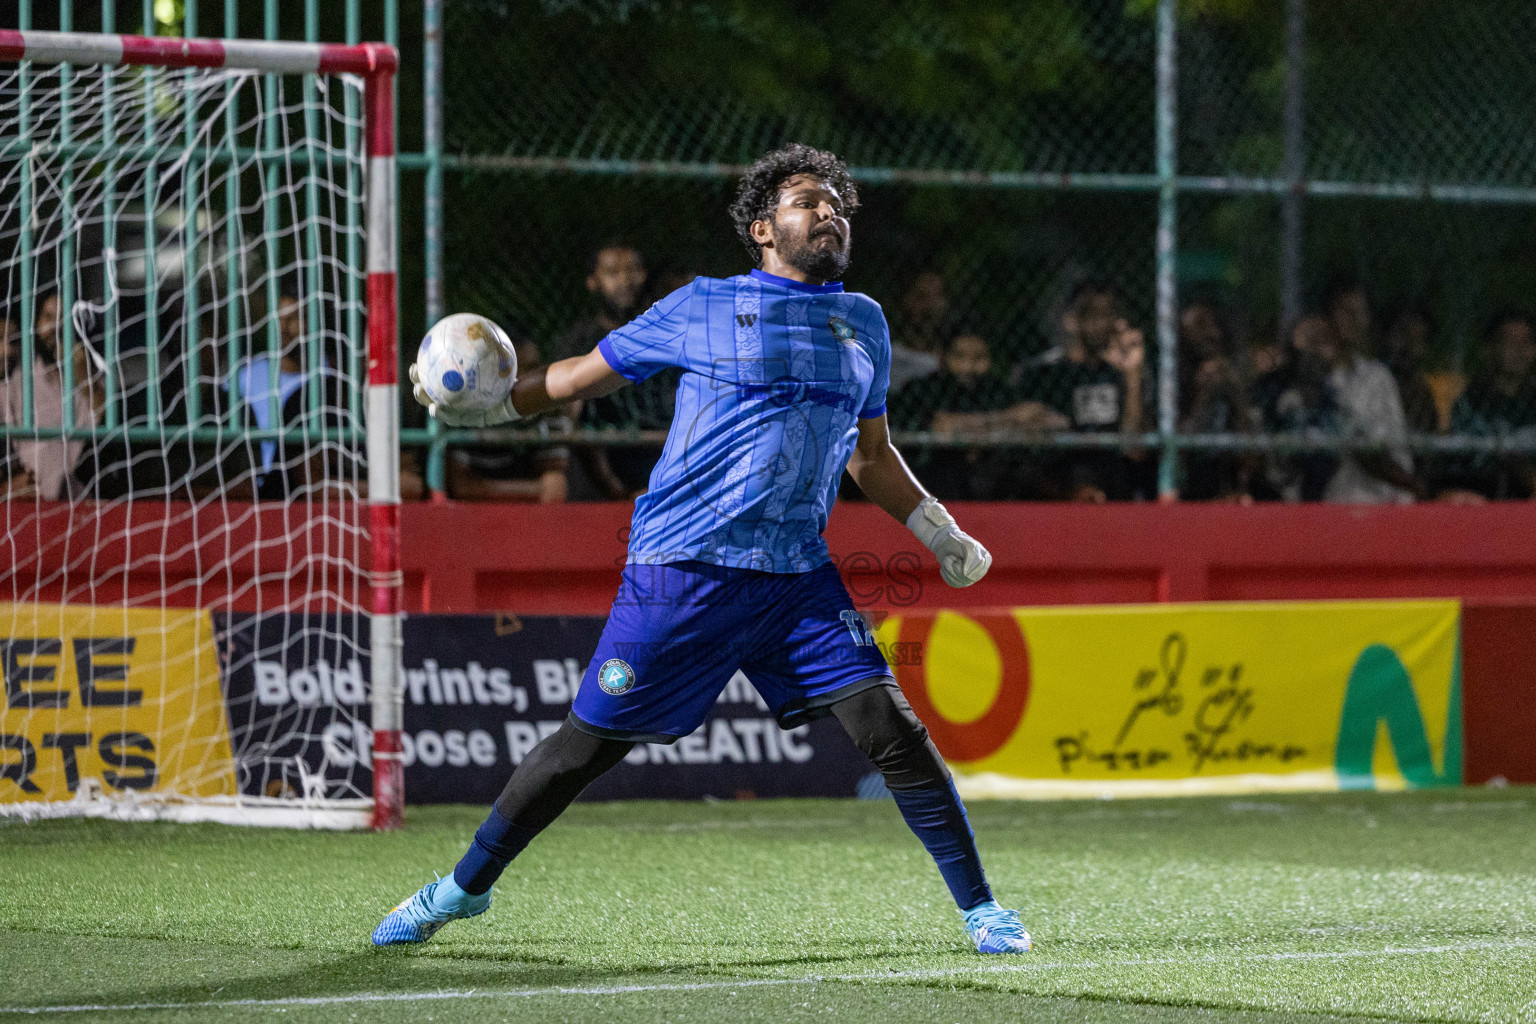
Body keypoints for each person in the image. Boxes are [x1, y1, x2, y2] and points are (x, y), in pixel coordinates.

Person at [381, 143, 1031, 956]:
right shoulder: (702, 306)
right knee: (582, 750)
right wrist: (493, 408)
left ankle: (981, 910)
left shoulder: (864, 322)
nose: (828, 212)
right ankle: (461, 888)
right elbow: (586, 374)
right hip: (681, 568)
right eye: (807, 201)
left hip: (797, 578)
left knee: (891, 731)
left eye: (836, 204)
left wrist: (941, 532)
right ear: (763, 227)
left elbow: (870, 456)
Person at [553, 241, 677, 500]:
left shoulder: (667, 335)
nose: (625, 281)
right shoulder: (579, 342)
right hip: (601, 481)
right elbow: (572, 421)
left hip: (666, 470)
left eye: (633, 270)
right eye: (612, 273)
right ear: (592, 282)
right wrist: (618, 489)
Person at [1013, 280, 1147, 501]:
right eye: (1092, 315)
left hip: (1113, 481)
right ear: (1071, 320)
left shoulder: (1121, 373)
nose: (1102, 324)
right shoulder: (1043, 372)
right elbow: (1027, 454)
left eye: (1108, 315)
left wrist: (1132, 377)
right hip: (1059, 484)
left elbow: (1134, 449)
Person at [888, 332, 1062, 499]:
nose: (969, 366)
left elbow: (1042, 417)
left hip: (991, 469)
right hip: (938, 472)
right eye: (960, 357)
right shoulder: (925, 388)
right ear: (944, 358)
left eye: (979, 358)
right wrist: (1008, 419)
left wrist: (971, 425)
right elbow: (945, 427)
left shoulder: (996, 389)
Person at [227, 292, 356, 500]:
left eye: (294, 318)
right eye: (279, 319)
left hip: (303, 490)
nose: (284, 327)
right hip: (259, 489)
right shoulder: (246, 375)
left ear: (312, 323)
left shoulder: (332, 377)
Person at [1318, 276, 1420, 503]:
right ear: (1328, 316)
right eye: (1346, 311)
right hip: (1333, 504)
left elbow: (1397, 446)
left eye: (1361, 312)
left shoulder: (1378, 377)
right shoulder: (1318, 379)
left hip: (1379, 504)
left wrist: (1406, 500)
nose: (1355, 319)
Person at [0, 292, 102, 500]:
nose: (55, 328)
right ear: (35, 322)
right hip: (29, 501)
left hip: (74, 502)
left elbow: (104, 428)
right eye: (47, 318)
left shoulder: (85, 374)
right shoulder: (17, 377)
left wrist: (83, 375)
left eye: (63, 319)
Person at [446, 338, 570, 502]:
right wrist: (535, 489)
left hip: (527, 519)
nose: (523, 378)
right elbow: (461, 487)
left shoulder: (551, 413)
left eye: (531, 368)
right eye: (511, 368)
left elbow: (555, 490)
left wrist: (484, 488)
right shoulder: (466, 411)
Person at [1440, 311, 1536, 500]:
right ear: (1489, 350)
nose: (1519, 350)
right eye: (1510, 342)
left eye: (1527, 343)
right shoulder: (1471, 401)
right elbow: (1495, 454)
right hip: (1480, 492)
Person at [1250, 316, 1341, 502]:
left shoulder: (1333, 393)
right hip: (1273, 499)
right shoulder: (1271, 390)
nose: (1316, 352)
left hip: (1321, 504)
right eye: (1310, 343)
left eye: (1322, 342)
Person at [1178, 297, 1256, 500]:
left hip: (1229, 475)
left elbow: (1251, 451)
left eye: (1213, 325)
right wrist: (1205, 394)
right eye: (1200, 326)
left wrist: (1234, 389)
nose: (1211, 333)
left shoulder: (1233, 374)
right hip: (1191, 481)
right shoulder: (1176, 380)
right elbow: (1179, 453)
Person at [887, 270, 952, 390]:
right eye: (922, 296)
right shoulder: (886, 330)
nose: (930, 303)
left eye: (935, 296)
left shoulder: (953, 335)